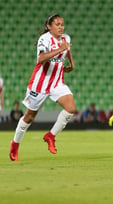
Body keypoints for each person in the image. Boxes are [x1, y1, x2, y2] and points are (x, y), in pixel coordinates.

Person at [9, 14, 76, 162]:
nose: (61, 27)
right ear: (49, 26)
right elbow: (40, 58)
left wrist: (72, 64)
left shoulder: (66, 38)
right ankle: (15, 144)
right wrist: (60, 49)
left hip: (57, 82)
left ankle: (50, 136)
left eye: (62, 24)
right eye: (57, 24)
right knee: (29, 117)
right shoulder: (44, 39)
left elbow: (68, 49)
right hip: (40, 83)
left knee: (70, 108)